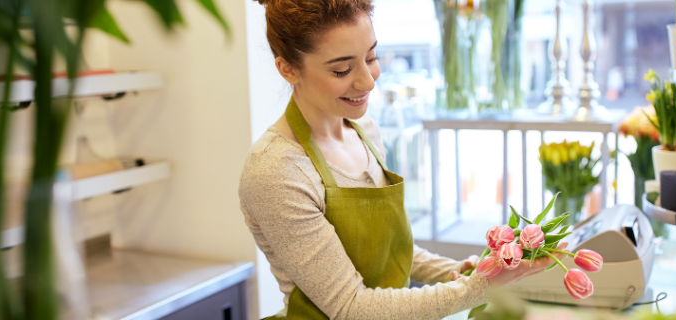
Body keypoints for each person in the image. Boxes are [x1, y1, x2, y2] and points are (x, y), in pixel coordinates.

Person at [238, 0, 566, 319]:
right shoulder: (277, 172)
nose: (368, 81)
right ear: (288, 68)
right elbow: (349, 306)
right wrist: (475, 289)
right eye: (342, 69)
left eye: (371, 57)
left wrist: (455, 270)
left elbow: (391, 252)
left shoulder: (365, 130)